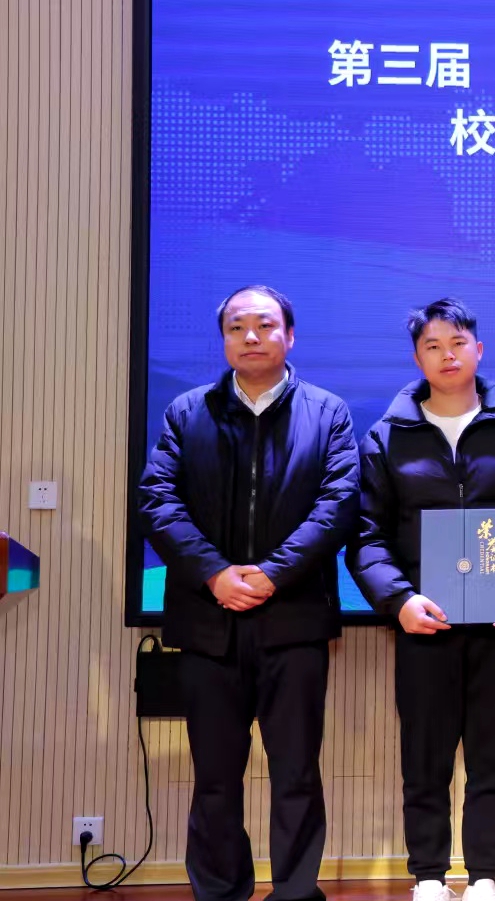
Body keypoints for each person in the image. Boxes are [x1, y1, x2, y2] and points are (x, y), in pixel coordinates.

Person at [139, 285, 358, 901]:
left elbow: (339, 504)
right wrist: (215, 573)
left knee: (296, 774)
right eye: (237, 327)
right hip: (208, 623)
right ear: (224, 340)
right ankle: (220, 892)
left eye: (265, 324)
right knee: (214, 780)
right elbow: (158, 501)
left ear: (290, 335)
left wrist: (272, 573)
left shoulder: (327, 412)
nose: (251, 337)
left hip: (294, 621)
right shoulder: (188, 412)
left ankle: (295, 892)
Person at [346, 299, 495, 901]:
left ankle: (485, 876)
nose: (447, 355)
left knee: (494, 754)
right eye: (433, 346)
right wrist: (399, 601)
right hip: (423, 621)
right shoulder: (387, 436)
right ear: (417, 358)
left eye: (458, 343)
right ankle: (427, 875)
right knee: (425, 755)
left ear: (479, 349)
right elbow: (365, 536)